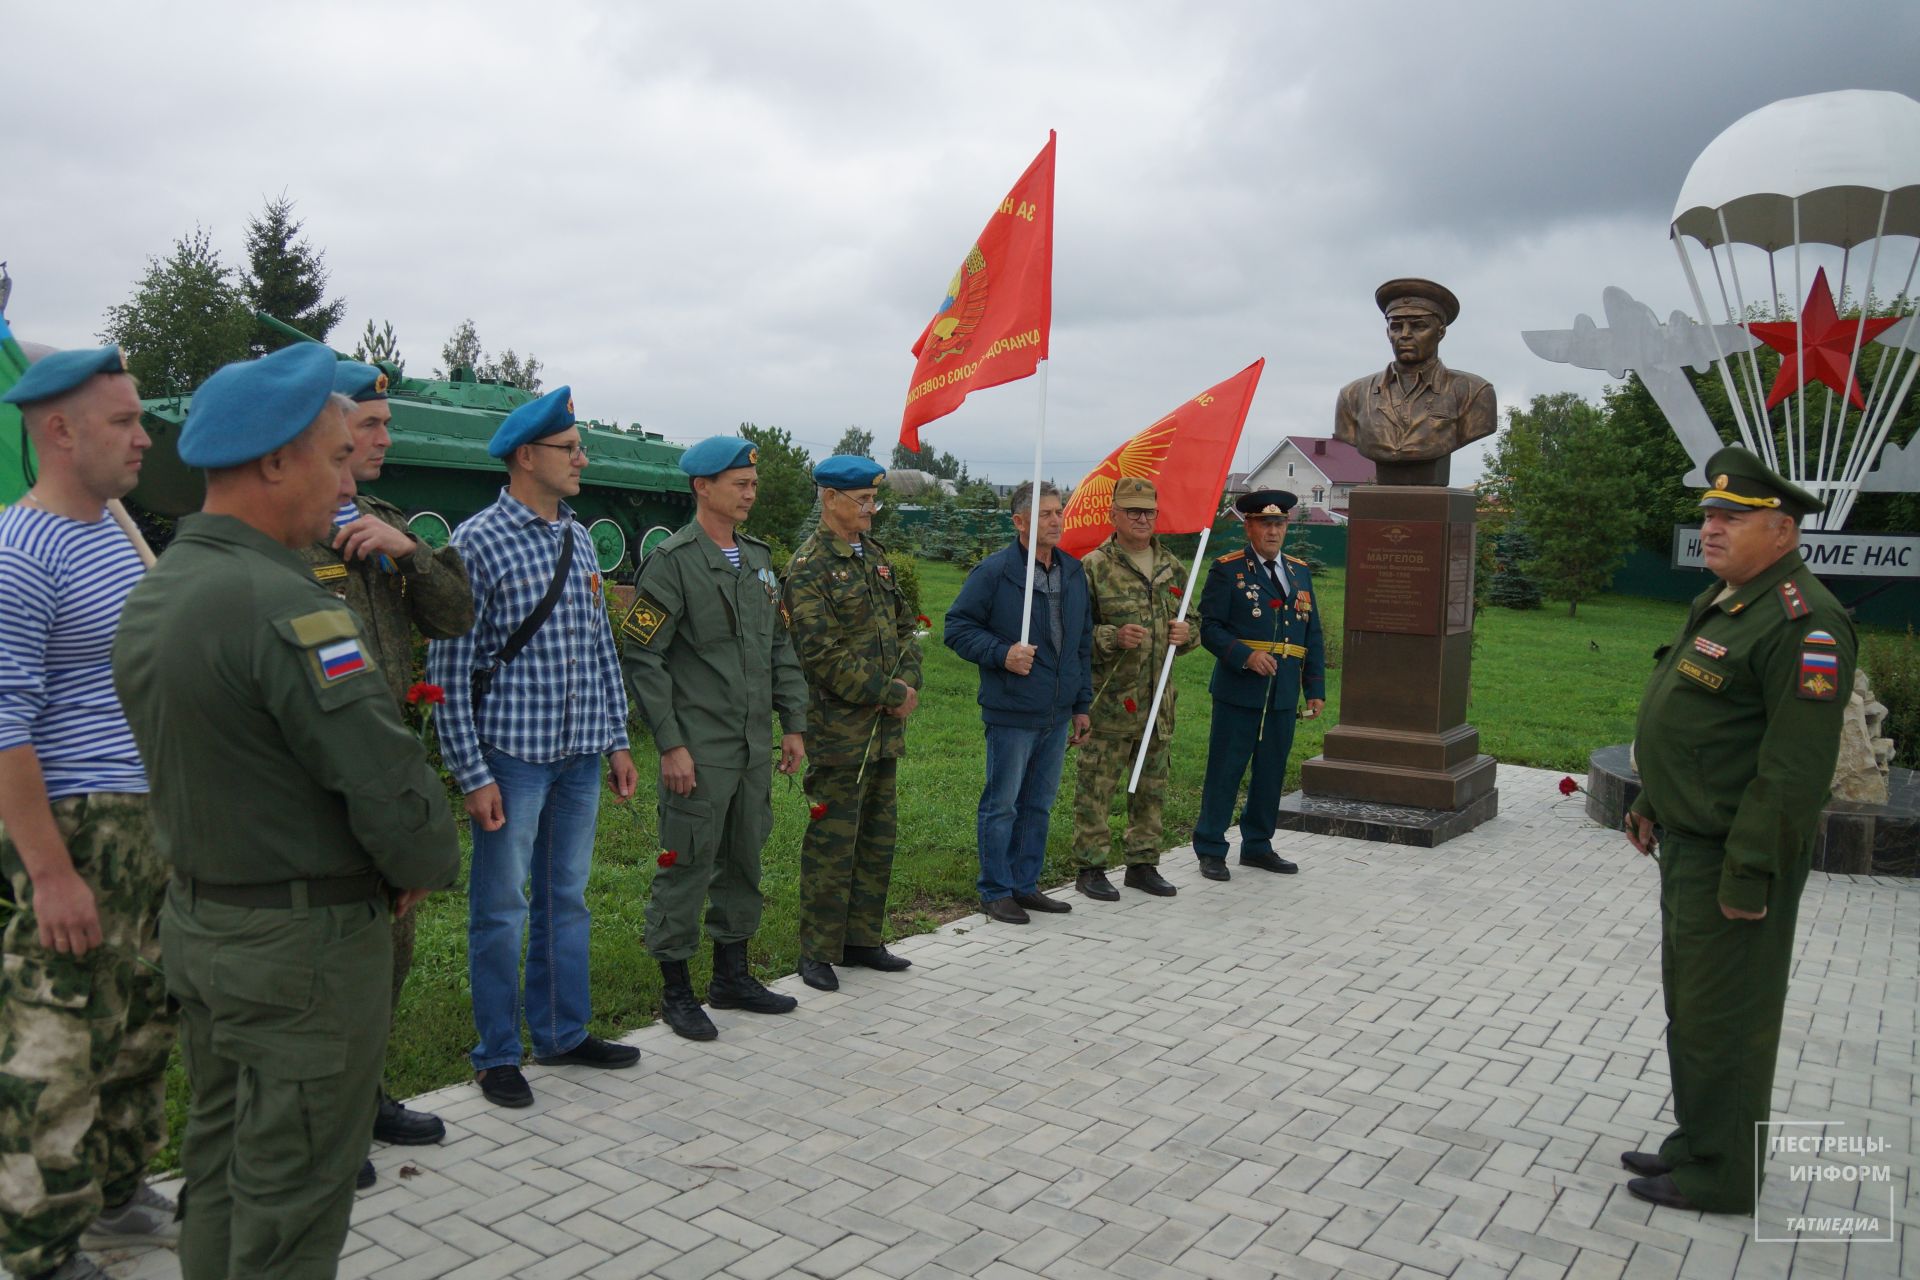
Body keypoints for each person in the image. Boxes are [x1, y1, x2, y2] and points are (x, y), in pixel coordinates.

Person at [112, 343, 460, 1280]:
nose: (346, 478)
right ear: (274, 463)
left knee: (223, 1174)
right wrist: (420, 864)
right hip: (300, 954)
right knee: (294, 1207)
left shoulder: (162, 590)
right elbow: (388, 786)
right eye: (334, 456)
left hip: (206, 924)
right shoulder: (287, 606)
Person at [1621, 445, 1856, 1215]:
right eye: (1709, 516)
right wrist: (1653, 797)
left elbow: (1791, 771)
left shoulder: (1806, 623)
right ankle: (1698, 1141)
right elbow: (1701, 726)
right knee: (1693, 1008)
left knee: (1728, 1018)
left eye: (1732, 518)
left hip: (1733, 859)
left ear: (1783, 531)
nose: (1711, 529)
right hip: (1689, 844)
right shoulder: (1731, 600)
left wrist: (1750, 874)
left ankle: (1721, 1174)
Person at [0, 347, 174, 1280]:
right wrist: (50, 871)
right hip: (76, 828)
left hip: (146, 823)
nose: (143, 436)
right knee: (57, 1044)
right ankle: (36, 1251)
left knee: (139, 1024)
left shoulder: (109, 527)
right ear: (60, 433)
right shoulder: (17, 552)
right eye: (123, 421)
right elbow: (1, 725)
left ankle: (113, 1197)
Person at [425, 386, 640, 1108]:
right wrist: (470, 772)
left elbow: (600, 647)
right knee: (501, 908)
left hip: (579, 752)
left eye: (579, 446)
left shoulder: (579, 537)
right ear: (526, 457)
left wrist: (616, 740)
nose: (583, 458)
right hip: (511, 758)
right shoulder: (475, 542)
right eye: (569, 448)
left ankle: (560, 1031)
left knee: (567, 900)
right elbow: (448, 670)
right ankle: (496, 1053)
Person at [298, 361, 473, 1164]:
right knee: (323, 968)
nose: (383, 439)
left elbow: (455, 615)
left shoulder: (382, 521)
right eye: (369, 425)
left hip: (389, 772)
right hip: (315, 786)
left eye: (385, 424)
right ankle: (318, 1127)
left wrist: (406, 551)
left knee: (388, 952)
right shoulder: (287, 533)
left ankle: (365, 1099)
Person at [624, 436, 809, 1038]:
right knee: (687, 863)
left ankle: (732, 976)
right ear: (703, 487)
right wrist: (671, 744)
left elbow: (779, 646)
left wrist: (794, 724)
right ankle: (676, 992)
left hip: (753, 743)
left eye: (753, 484)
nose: (751, 492)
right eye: (740, 484)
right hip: (700, 748)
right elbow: (642, 655)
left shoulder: (757, 559)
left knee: (744, 857)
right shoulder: (672, 562)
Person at [782, 455, 922, 991]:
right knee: (833, 841)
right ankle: (817, 951)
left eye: (873, 500)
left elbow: (908, 630)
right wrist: (887, 693)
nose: (870, 510)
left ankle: (863, 938)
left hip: (884, 732)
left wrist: (906, 686)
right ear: (828, 499)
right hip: (840, 733)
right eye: (861, 501)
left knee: (877, 837)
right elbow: (821, 654)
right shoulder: (809, 567)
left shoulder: (876, 560)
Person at [944, 480, 1091, 924]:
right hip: (1012, 709)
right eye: (1045, 513)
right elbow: (957, 628)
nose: (1055, 520)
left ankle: (1025, 885)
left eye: (1059, 511)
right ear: (1020, 522)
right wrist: (1002, 653)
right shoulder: (996, 572)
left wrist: (1081, 703)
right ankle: (995, 889)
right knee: (1003, 803)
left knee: (1038, 804)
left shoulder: (1073, 571)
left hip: (1058, 710)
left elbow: (1081, 642)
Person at [1069, 477, 1198, 901]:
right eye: (1133, 512)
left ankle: (1143, 863)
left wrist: (1187, 633)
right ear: (1114, 515)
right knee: (1097, 787)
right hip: (1110, 704)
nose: (1142, 520)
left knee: (1152, 787)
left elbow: (1193, 625)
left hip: (1158, 702)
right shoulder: (1094, 566)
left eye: (1148, 512)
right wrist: (1110, 637)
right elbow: (1072, 635)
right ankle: (1091, 867)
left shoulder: (1172, 567)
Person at [1192, 490, 1326, 881]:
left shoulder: (1299, 571)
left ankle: (1257, 845)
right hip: (1240, 690)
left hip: (1282, 692)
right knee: (1226, 769)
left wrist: (1313, 688)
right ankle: (1211, 846)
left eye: (1279, 523)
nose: (1273, 531)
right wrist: (1244, 656)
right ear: (1248, 526)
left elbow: (1310, 633)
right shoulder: (1228, 569)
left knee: (1270, 771)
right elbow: (1210, 627)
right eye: (1265, 523)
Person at [1334, 278, 1496, 477]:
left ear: (1441, 332)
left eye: (1418, 326)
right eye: (1396, 327)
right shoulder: (1352, 396)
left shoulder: (1474, 392)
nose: (1405, 335)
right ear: (1387, 332)